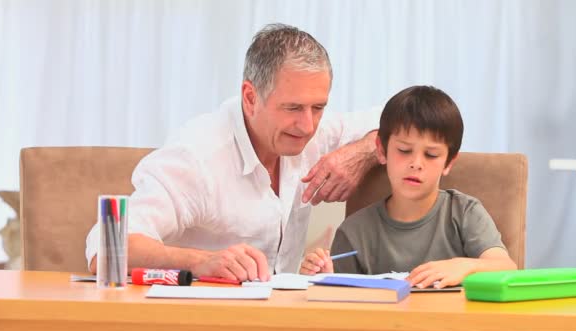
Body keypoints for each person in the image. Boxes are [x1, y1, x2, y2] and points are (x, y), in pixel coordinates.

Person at [85, 23, 381, 281]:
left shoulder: (315, 129)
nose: (307, 126)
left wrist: (363, 151)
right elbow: (106, 248)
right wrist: (200, 261)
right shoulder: (198, 154)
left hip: (284, 318)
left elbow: (404, 119)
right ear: (251, 98)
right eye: (292, 108)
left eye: (318, 107)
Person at [300, 85, 517, 289]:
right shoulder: (354, 232)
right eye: (404, 151)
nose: (416, 164)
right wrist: (324, 278)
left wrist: (465, 266)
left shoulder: (464, 212)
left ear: (449, 162)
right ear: (382, 151)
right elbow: (341, 307)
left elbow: (506, 268)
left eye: (431, 155)